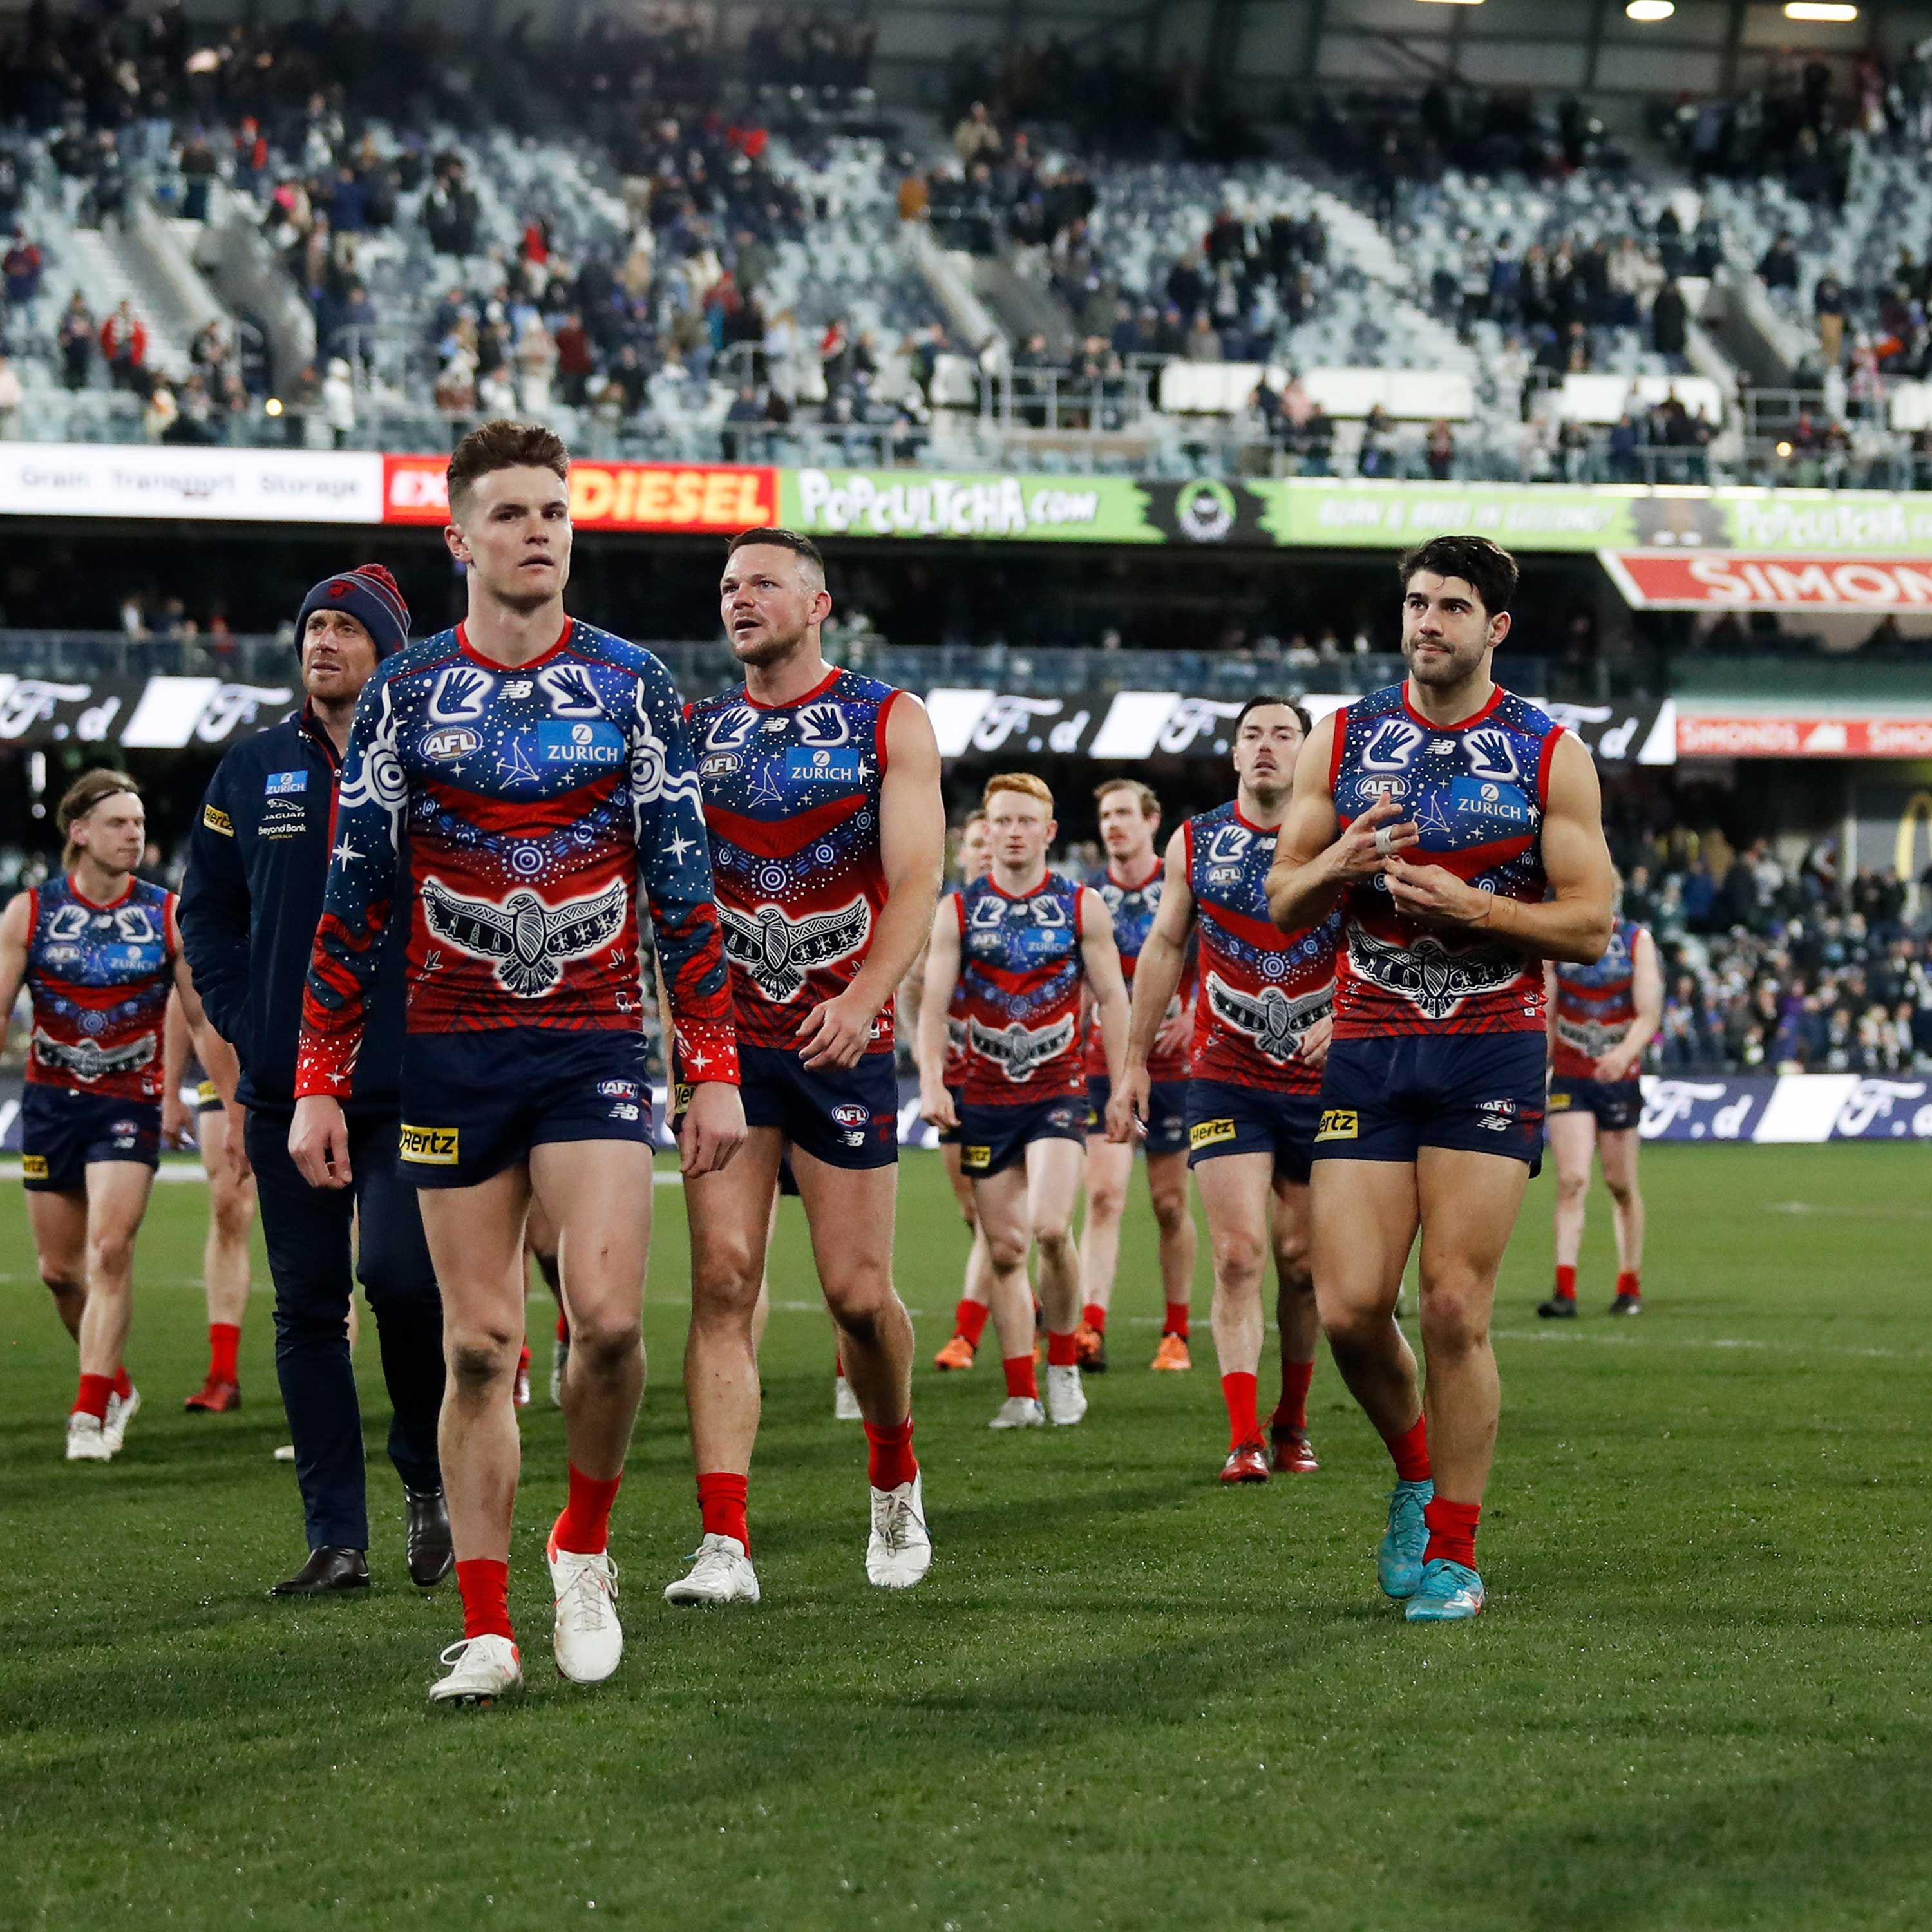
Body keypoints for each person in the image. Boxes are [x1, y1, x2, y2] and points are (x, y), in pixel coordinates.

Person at [289, 423, 744, 1707]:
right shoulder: (405, 695)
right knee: (479, 1349)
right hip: (449, 1056)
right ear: (459, 538)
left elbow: (683, 885)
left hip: (593, 1043)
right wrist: (320, 1075)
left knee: (604, 1325)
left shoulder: (636, 684)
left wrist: (710, 1061)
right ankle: (486, 1629)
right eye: (512, 514)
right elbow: (358, 893)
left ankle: (582, 1546)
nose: (539, 530)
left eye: (554, 510)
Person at [1267, 535, 1613, 1622]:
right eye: (1416, 602)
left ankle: (1457, 1554)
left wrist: (1481, 912)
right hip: (1368, 1047)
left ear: (1495, 628)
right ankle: (1417, 1473)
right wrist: (1340, 864)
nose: (1427, 622)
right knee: (1352, 1310)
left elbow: (1593, 923)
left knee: (1455, 1307)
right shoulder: (1346, 737)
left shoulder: (1547, 752)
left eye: (1452, 607)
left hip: (1490, 1048)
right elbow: (1283, 900)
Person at [671, 526, 943, 1607]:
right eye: (730, 586)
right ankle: (724, 1541)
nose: (742, 600)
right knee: (723, 1281)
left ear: (817, 602)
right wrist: (695, 1049)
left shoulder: (888, 718)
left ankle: (893, 1473)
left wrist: (867, 999)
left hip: (845, 1041)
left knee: (858, 1295)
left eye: (764, 583)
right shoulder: (693, 732)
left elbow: (918, 878)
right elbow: (675, 903)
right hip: (732, 1048)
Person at [182, 564, 453, 1596]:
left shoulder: (432, 765)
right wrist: (254, 1031)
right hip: (287, 1089)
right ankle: (338, 1538)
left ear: (387, 651)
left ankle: (426, 1475)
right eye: (314, 627)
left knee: (398, 1281)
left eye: (347, 628)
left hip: (409, 1081)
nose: (324, 643)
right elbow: (206, 913)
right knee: (304, 1310)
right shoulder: (249, 771)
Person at [1112, 702, 1338, 1483]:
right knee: (1239, 1255)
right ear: (1234, 754)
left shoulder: (1338, 838)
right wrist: (1135, 1060)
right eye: (1253, 735)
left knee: (1304, 1262)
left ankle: (1294, 1421)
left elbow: (1382, 939)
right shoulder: (1197, 841)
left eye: (1283, 734)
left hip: (1323, 1077)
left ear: (1307, 754)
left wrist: (1346, 1012)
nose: (1266, 747)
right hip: (1227, 1071)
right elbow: (1166, 945)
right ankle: (1244, 1436)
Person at [0, 770, 226, 1460]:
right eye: (120, 824)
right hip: (47, 1101)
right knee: (59, 1272)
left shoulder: (166, 913)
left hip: (126, 1103)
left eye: (139, 823)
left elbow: (200, 1017)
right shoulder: (29, 913)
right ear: (79, 832)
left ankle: (90, 1407)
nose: (136, 835)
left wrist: (234, 1101)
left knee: (110, 1250)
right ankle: (118, 1382)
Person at [918, 774, 1132, 1430]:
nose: (1012, 832)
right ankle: (1021, 1392)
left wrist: (1124, 1082)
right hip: (983, 1095)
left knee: (1047, 1228)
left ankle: (1063, 1367)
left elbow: (1116, 998)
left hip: (1058, 1091)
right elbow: (931, 1006)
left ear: (1048, 831)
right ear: (984, 830)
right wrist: (931, 1080)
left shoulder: (1081, 906)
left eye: (1024, 821)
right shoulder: (957, 911)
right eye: (1001, 821)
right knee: (1006, 1249)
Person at [1077, 779, 1198, 1374]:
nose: (1114, 824)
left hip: (1175, 1067)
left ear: (1153, 820)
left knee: (1171, 1203)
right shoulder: (1088, 897)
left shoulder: (1178, 888)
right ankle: (1090, 1325)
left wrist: (1197, 1017)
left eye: (1125, 812)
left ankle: (1176, 1330)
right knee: (1102, 1195)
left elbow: (1218, 957)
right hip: (1103, 1066)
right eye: (1106, 814)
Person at [1540, 887, 1661, 1318]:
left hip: (1618, 1073)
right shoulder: (1558, 943)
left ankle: (1630, 1282)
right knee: (1572, 1180)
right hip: (1572, 1071)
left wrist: (1623, 1055)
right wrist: (1541, 1062)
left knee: (1620, 1184)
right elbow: (1547, 1010)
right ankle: (1564, 1288)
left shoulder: (1635, 942)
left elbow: (1648, 1013)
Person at [925, 811, 999, 1372]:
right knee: (973, 1211)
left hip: (1010, 1082)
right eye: (977, 844)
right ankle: (1028, 1298)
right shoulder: (945, 916)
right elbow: (912, 994)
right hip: (955, 1079)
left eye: (993, 841)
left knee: (1001, 1215)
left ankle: (967, 1332)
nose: (987, 852)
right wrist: (927, 1060)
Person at [162, 996, 253, 1413]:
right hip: (225, 1066)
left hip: (304, 1066)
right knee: (228, 1210)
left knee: (324, 1226)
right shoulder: (204, 930)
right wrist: (170, 1090)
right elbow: (187, 999)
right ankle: (223, 1373)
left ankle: (326, 1398)